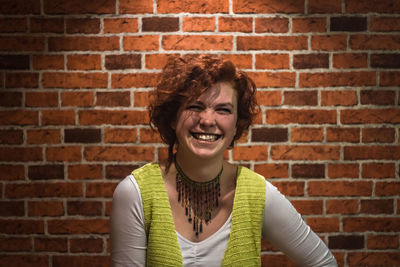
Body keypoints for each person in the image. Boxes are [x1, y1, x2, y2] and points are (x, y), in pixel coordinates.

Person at [110, 55, 337, 266]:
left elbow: (324, 263)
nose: (208, 120)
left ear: (237, 123)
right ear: (172, 118)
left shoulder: (257, 194)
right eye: (195, 106)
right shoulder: (136, 193)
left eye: (223, 110)